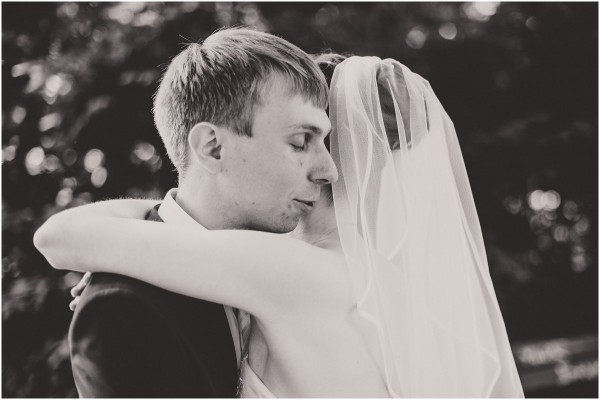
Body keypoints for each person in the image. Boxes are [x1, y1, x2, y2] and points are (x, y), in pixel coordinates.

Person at [35, 55, 525, 397]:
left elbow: (58, 238)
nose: (319, 160)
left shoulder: (298, 272)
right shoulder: (383, 280)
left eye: (314, 138)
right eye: (299, 139)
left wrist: (141, 235)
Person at [33, 27, 337, 397]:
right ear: (212, 148)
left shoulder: (295, 262)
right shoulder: (124, 308)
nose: (328, 170)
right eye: (301, 141)